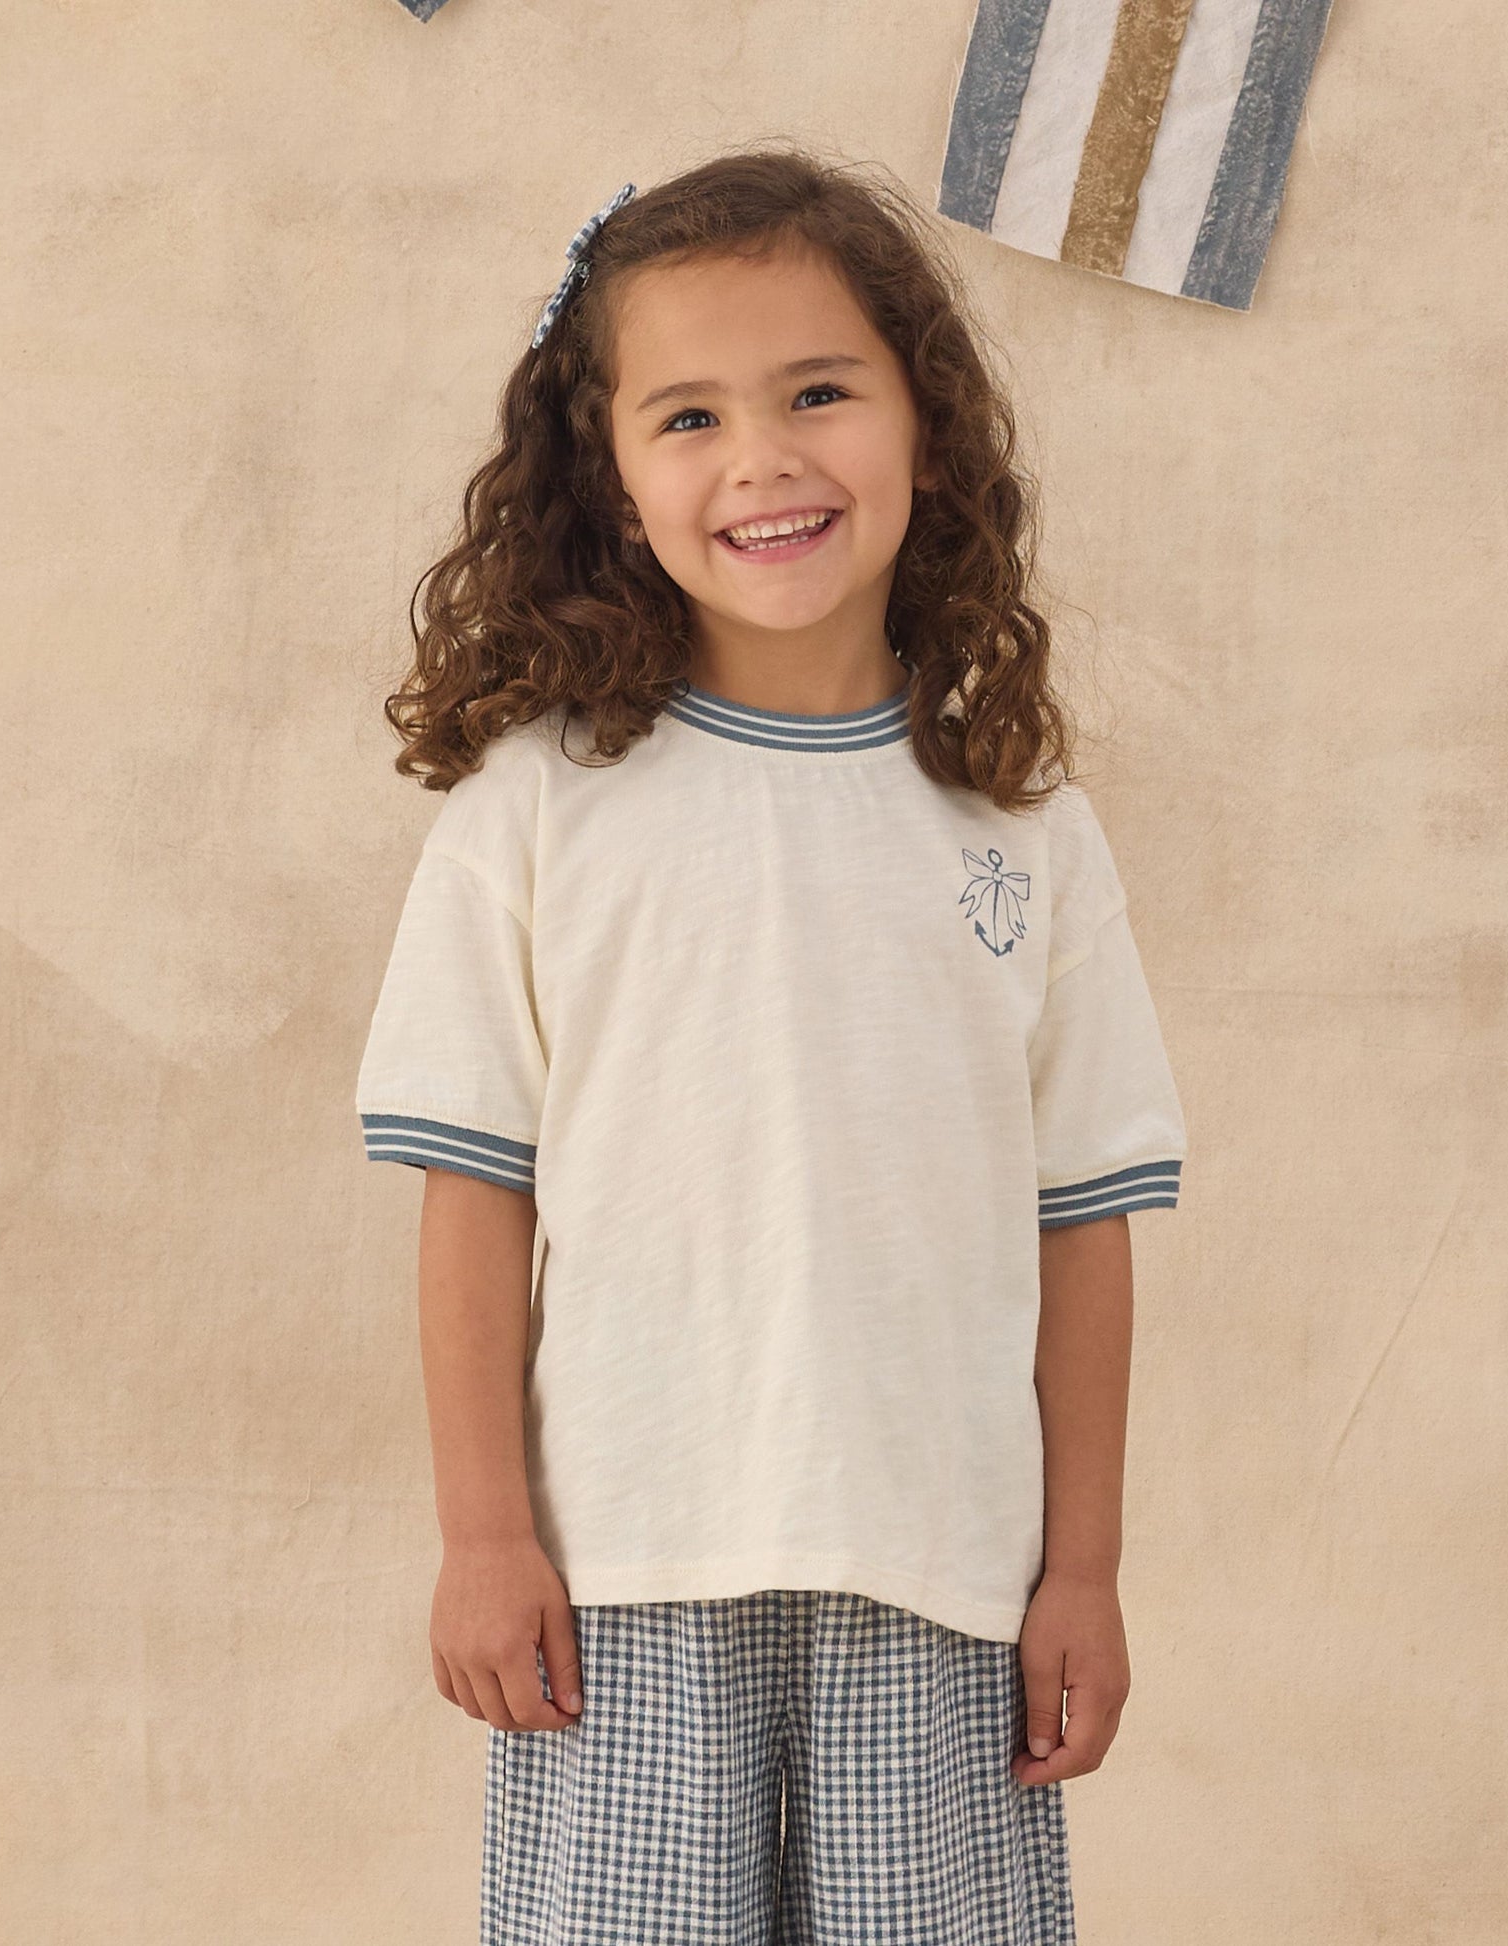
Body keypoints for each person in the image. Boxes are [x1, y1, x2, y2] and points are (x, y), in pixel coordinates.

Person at [356, 145, 1188, 1944]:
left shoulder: (1027, 833)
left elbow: (1081, 1223)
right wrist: (485, 1536)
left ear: (926, 427)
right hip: (626, 1569)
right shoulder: (533, 815)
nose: (762, 458)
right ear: (611, 477)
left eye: (817, 391)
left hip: (944, 1576)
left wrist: (1084, 1570)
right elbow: (475, 1196)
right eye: (689, 415)